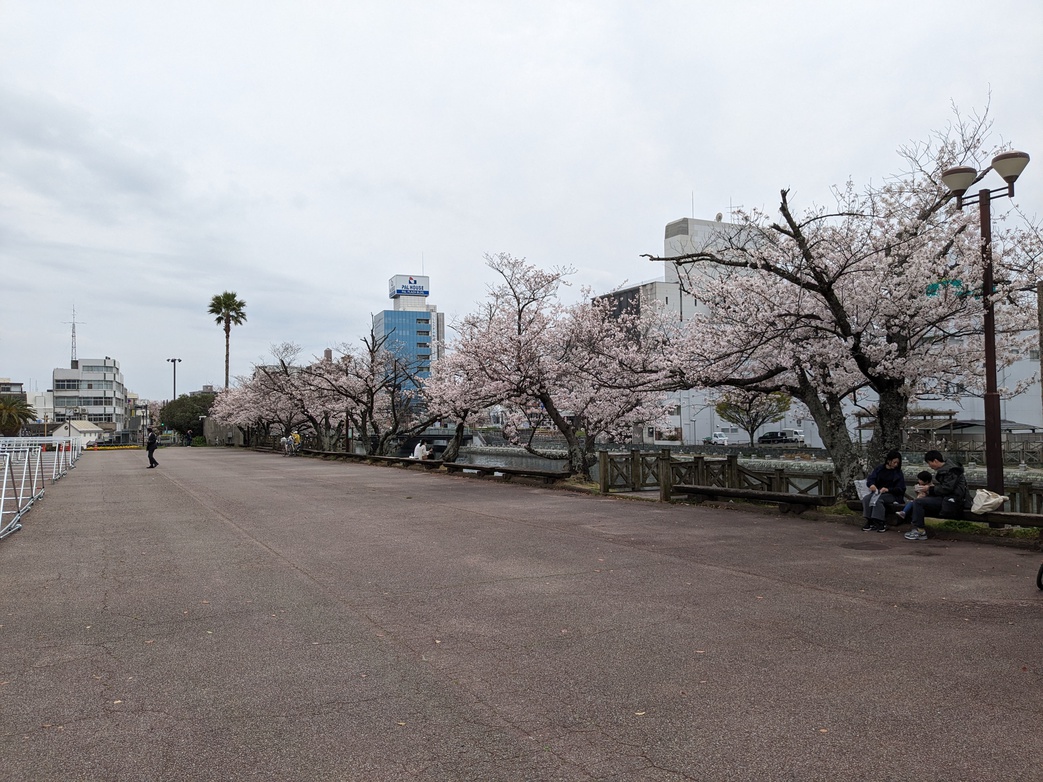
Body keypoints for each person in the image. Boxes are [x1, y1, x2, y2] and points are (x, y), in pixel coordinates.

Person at [904, 450, 969, 541]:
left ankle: (920, 531)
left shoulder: (951, 471)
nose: (929, 466)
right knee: (919, 501)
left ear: (935, 461)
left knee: (918, 502)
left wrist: (929, 489)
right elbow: (946, 488)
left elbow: (947, 488)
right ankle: (917, 528)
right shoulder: (950, 469)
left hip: (953, 501)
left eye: (929, 463)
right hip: (948, 499)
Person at [860, 450, 906, 532]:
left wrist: (888, 489)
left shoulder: (898, 473)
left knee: (878, 500)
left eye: (897, 463)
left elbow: (901, 488)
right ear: (889, 461)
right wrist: (871, 485)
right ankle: (869, 520)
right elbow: (871, 479)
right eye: (894, 462)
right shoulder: (879, 469)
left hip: (892, 494)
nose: (896, 465)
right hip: (878, 492)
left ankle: (880, 521)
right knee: (867, 499)